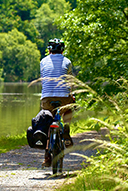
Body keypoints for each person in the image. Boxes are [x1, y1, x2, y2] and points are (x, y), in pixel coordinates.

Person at [40, 38, 75, 167]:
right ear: (62, 50)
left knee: (48, 121)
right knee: (69, 107)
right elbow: (70, 81)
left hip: (47, 98)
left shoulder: (43, 61)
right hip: (64, 97)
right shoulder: (67, 61)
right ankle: (66, 129)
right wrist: (72, 95)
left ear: (49, 50)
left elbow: (44, 80)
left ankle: (46, 157)